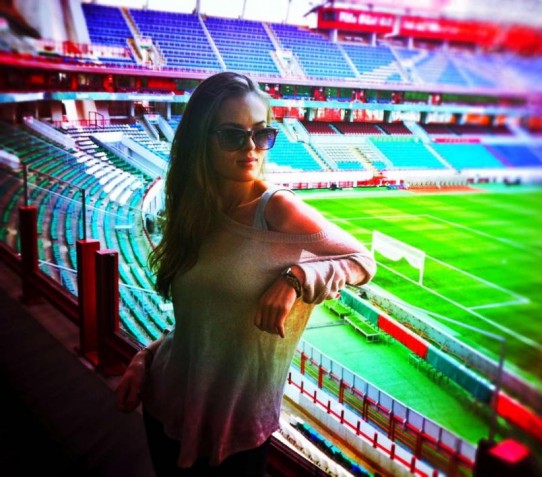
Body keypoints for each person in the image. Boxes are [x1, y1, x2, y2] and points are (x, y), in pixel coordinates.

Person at [115, 71, 376, 476]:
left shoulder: (276, 209)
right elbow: (199, 321)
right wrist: (146, 356)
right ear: (201, 140)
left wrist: (295, 280)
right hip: (163, 402)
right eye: (233, 135)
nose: (251, 148)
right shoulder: (193, 211)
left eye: (261, 134)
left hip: (237, 430)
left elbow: (362, 262)